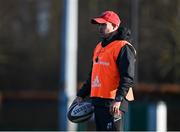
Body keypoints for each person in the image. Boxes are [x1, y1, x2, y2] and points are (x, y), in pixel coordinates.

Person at [74, 10, 136, 131]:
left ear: (115, 26)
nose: (100, 28)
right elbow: (93, 75)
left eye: (104, 24)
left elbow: (127, 77)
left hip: (113, 103)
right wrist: (81, 95)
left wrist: (118, 99)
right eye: (99, 25)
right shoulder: (99, 46)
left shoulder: (123, 47)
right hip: (98, 102)